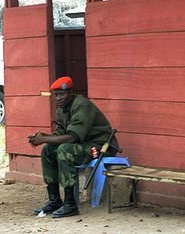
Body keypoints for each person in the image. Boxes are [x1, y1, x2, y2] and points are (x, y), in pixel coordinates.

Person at [28, 76, 119, 218]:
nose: (58, 98)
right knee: (48, 150)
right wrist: (43, 137)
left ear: (71, 92)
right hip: (82, 144)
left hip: (100, 146)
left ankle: (70, 204)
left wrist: (44, 139)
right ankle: (54, 200)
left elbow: (73, 137)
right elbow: (62, 132)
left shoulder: (81, 105)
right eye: (56, 95)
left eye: (62, 94)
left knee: (65, 150)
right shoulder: (63, 108)